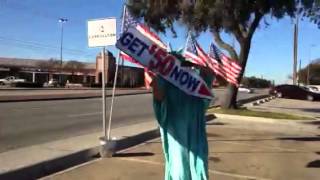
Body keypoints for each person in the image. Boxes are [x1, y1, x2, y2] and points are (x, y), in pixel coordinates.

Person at [151, 52, 214, 180]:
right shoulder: (165, 79)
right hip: (176, 130)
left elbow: (209, 79)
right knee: (179, 166)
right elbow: (158, 97)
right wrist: (160, 75)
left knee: (198, 164)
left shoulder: (196, 80)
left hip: (195, 130)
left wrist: (197, 64)